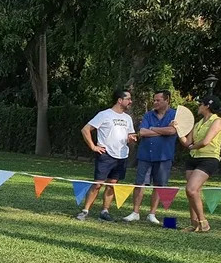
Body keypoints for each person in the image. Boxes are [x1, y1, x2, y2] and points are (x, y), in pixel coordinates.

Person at [75, 90, 138, 222]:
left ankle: (105, 211)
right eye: (128, 99)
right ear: (120, 100)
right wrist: (93, 147)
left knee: (112, 185)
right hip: (106, 155)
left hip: (121, 156)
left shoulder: (128, 118)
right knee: (97, 184)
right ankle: (85, 211)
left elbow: (129, 136)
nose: (130, 101)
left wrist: (131, 139)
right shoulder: (104, 115)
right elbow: (85, 129)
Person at [123, 90, 177, 224]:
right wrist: (162, 131)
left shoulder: (175, 115)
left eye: (158, 100)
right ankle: (135, 212)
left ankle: (152, 214)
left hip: (164, 157)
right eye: (154, 100)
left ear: (167, 100)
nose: (155, 103)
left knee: (159, 185)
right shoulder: (148, 115)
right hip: (145, 155)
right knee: (140, 183)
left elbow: (172, 131)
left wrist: (152, 129)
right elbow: (142, 132)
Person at [178, 95, 221, 232]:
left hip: (209, 159)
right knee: (192, 192)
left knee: (191, 189)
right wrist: (178, 130)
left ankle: (203, 222)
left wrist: (192, 147)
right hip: (193, 159)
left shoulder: (218, 121)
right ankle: (194, 224)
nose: (198, 106)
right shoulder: (197, 124)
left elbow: (205, 142)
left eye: (200, 104)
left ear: (207, 106)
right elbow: (186, 143)